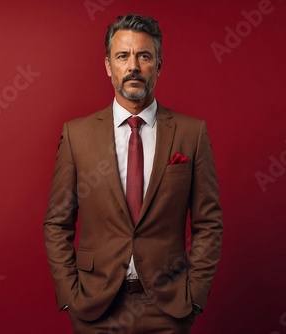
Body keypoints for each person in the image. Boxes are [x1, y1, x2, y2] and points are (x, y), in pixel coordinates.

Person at [44, 13, 223, 333]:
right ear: (108, 65)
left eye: (144, 56)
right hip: (95, 307)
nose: (133, 67)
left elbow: (208, 223)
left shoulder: (191, 133)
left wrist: (194, 297)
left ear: (159, 64)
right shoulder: (77, 135)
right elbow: (57, 222)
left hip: (168, 308)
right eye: (123, 56)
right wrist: (70, 294)